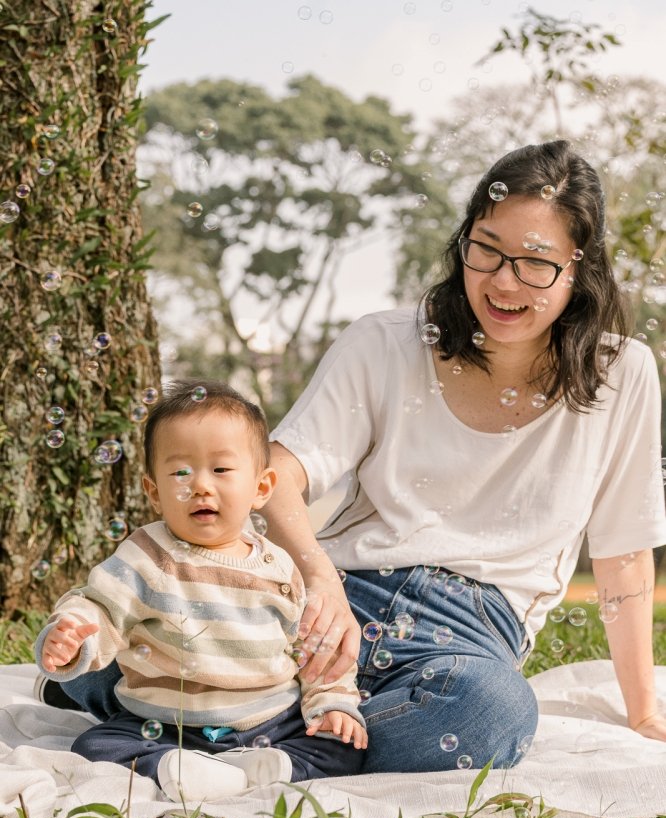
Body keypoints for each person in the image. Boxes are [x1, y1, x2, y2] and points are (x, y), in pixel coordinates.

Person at [39, 139, 666, 776]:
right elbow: (277, 474)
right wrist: (317, 578)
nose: (503, 281)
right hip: (337, 588)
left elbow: (624, 551)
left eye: (535, 263)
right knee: (134, 620)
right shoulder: (385, 342)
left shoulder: (622, 374)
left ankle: (233, 720)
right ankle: (264, 726)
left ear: (580, 270)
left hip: (468, 635)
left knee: (493, 711)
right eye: (487, 249)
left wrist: (642, 711)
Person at [34, 380, 367, 804]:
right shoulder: (148, 555)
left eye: (221, 470)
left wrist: (332, 704)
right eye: (180, 472)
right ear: (154, 492)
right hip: (166, 722)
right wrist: (73, 633)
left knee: (342, 746)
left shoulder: (281, 567)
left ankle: (273, 766)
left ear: (261, 488)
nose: (201, 486)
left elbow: (314, 652)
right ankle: (176, 767)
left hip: (268, 721)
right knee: (95, 745)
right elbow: (100, 606)